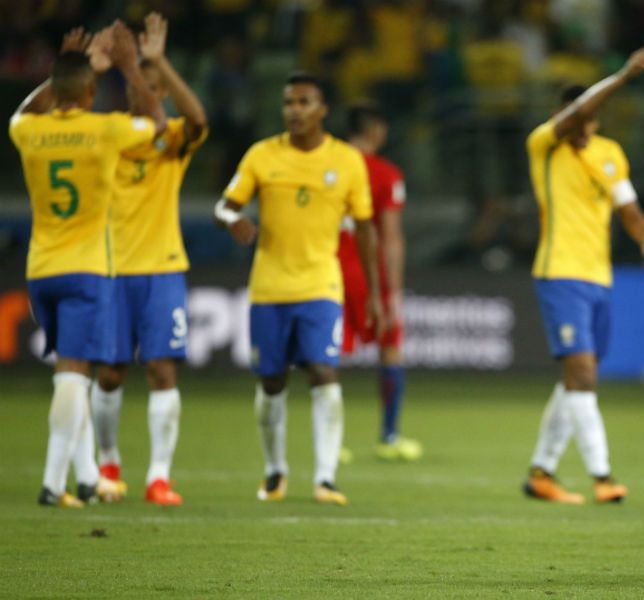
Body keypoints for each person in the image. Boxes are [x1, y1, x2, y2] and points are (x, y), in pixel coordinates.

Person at [8, 24, 165, 507]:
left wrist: (63, 71)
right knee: (74, 374)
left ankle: (85, 478)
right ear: (93, 93)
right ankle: (53, 486)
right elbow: (157, 124)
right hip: (88, 269)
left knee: (65, 373)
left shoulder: (30, 132)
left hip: (41, 270)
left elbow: (20, 112)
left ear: (57, 89)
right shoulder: (104, 129)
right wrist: (128, 67)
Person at [215, 72, 383, 506]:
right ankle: (275, 471)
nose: (295, 110)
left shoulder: (347, 161)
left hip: (321, 285)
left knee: (325, 372)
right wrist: (233, 220)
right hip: (269, 288)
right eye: (289, 102)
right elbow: (224, 204)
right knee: (271, 381)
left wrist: (375, 294)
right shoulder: (262, 155)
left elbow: (366, 231)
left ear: (322, 110)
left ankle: (326, 477)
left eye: (305, 102)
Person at [522, 48, 644, 505]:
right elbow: (576, 112)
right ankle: (602, 476)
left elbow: (628, 206)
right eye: (577, 117)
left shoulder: (609, 154)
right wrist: (622, 75)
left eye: (589, 119)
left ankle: (541, 472)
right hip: (559, 271)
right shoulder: (544, 144)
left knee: (576, 379)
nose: (583, 126)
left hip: (598, 278)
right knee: (582, 373)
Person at [87, 13, 208, 507]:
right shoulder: (106, 137)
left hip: (161, 269)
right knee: (111, 373)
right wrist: (93, 69)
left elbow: (199, 121)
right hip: (111, 270)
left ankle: (159, 476)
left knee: (162, 370)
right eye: (146, 85)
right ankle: (109, 462)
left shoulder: (171, 141)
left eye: (159, 86)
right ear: (128, 89)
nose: (152, 93)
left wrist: (155, 63)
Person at [338, 101, 421, 461]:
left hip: (328, 269)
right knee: (390, 348)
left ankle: (332, 442)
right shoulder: (386, 174)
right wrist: (394, 290)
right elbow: (391, 236)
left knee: (330, 355)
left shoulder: (329, 165)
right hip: (371, 273)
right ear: (375, 130)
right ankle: (389, 437)